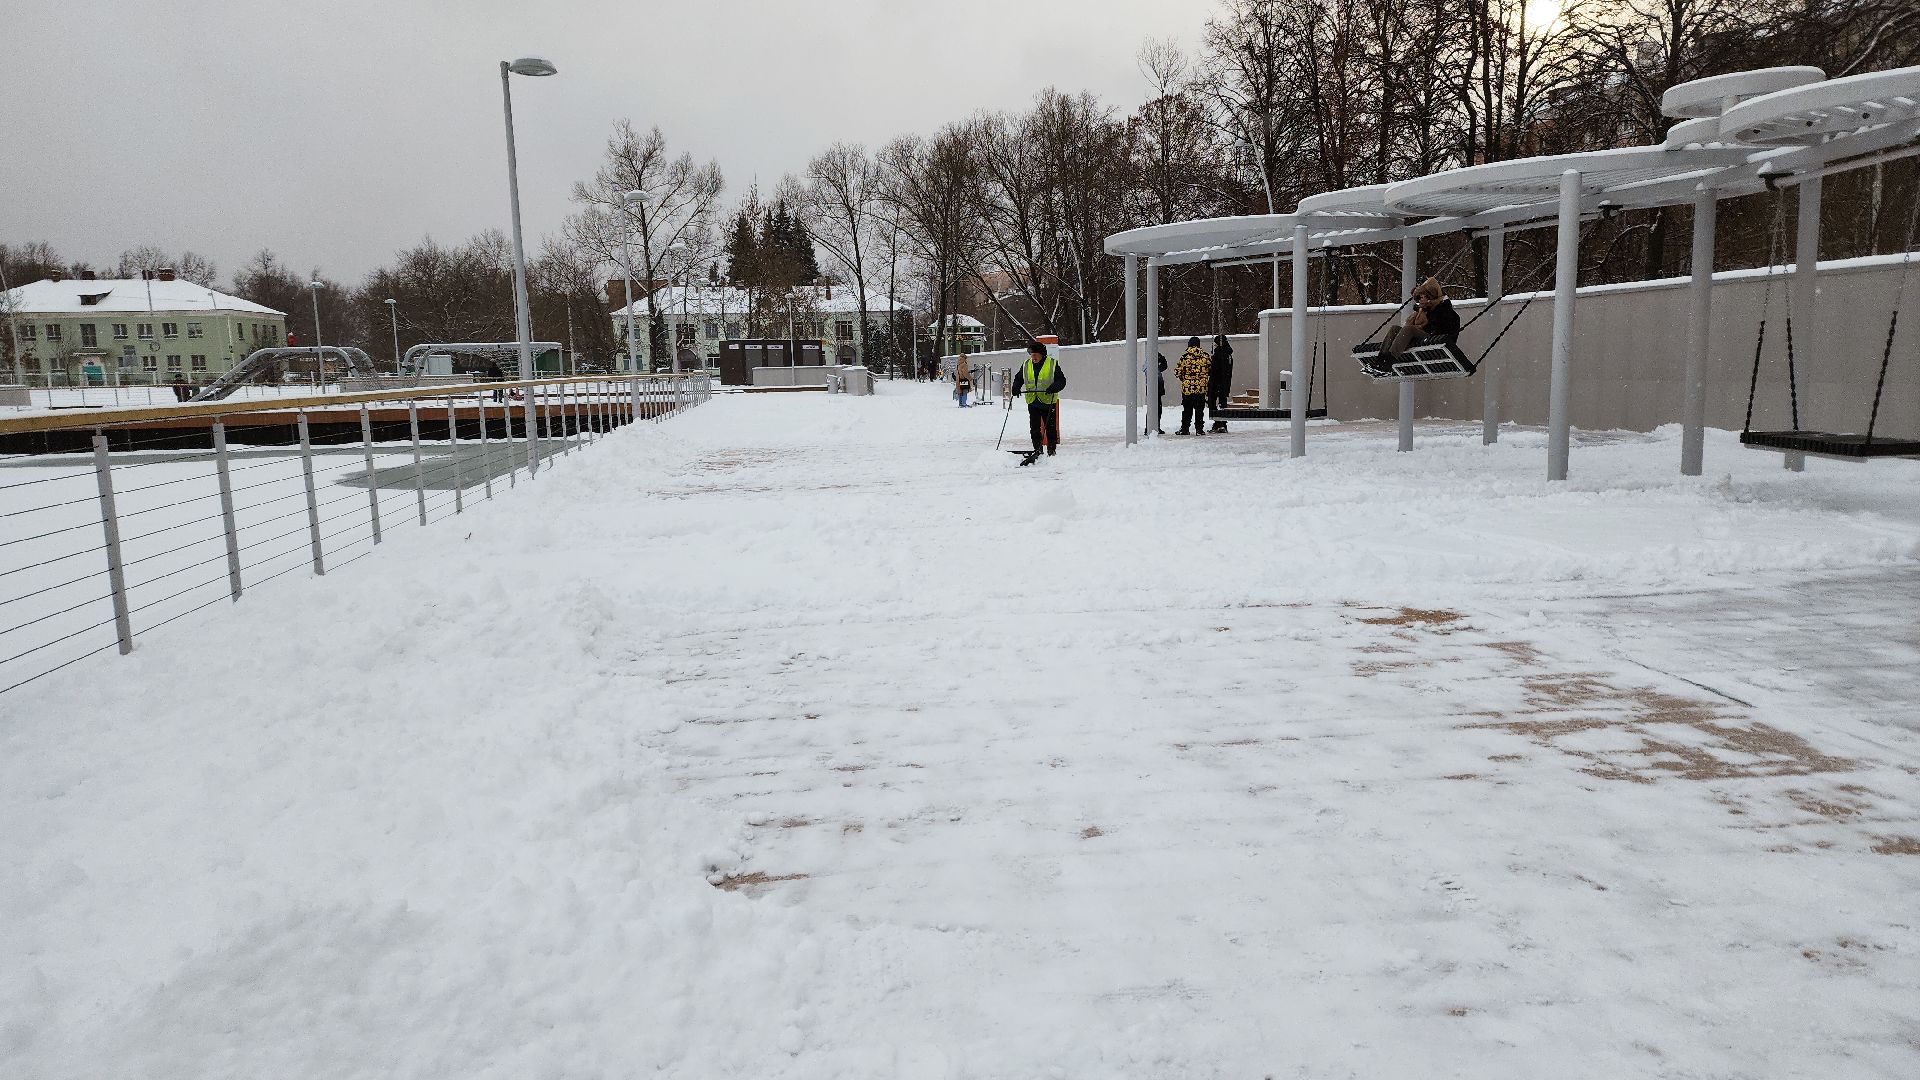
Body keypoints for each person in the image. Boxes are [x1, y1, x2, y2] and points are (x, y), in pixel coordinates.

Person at [1379, 277, 1461, 366]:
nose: (1420, 300)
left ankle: (1389, 362)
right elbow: (1411, 324)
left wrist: (1425, 315)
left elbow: (1437, 328)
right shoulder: (1425, 310)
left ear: (1430, 296)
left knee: (1409, 329)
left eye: (1422, 297)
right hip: (1427, 338)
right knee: (1394, 329)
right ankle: (1380, 360)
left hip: (1435, 340)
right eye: (1419, 298)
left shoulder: (1443, 309)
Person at [1009, 339, 1066, 463]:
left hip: (1048, 401)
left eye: (1035, 354)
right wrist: (1015, 387)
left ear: (1042, 354)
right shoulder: (1026, 364)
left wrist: (1055, 386)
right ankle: (1037, 449)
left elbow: (1061, 381)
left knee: (1050, 428)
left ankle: (1051, 450)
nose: (1033, 357)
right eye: (1031, 354)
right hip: (1033, 401)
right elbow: (1019, 378)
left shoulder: (1052, 363)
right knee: (1034, 428)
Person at [1174, 336, 1210, 435]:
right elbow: (1210, 370)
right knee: (1199, 410)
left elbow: (1177, 371)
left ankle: (1185, 428)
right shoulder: (1205, 357)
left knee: (1187, 409)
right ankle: (1199, 429)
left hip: (1187, 389)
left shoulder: (1185, 357)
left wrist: (1184, 378)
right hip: (1201, 388)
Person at [1208, 334, 1234, 432]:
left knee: (1213, 403)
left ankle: (1217, 422)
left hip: (1216, 383)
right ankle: (1223, 423)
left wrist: (1210, 365)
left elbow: (1213, 370)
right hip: (1225, 382)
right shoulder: (1229, 354)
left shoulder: (1218, 353)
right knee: (1223, 403)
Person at [1145, 355, 1168, 436]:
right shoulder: (1151, 366)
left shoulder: (1152, 366)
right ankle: (1150, 427)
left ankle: (1154, 427)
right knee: (1154, 409)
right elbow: (1164, 366)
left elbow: (1164, 366)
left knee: (1156, 409)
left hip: (1156, 389)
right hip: (1155, 389)